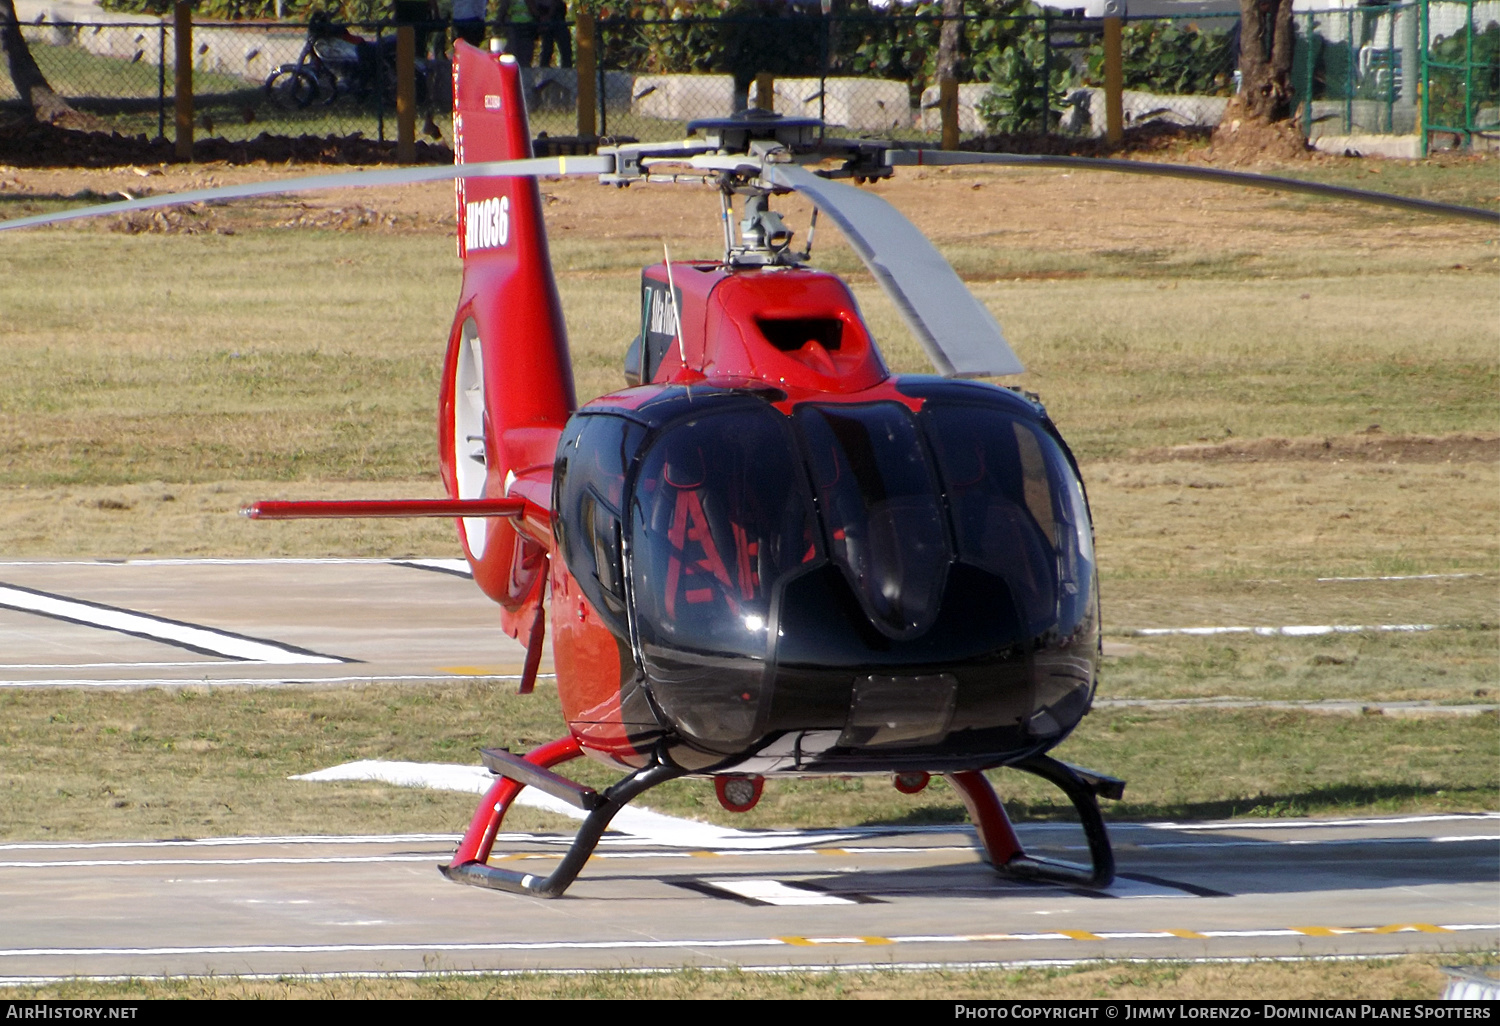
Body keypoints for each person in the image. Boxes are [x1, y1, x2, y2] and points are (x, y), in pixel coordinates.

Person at [536, 0, 571, 68]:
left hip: (557, 14)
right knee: (547, 47)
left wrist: (548, 16)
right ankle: (544, 70)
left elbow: (556, 2)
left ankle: (567, 70)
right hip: (541, 12)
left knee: (565, 47)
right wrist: (539, 16)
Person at [503, 0, 539, 66]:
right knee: (514, 50)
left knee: (525, 53)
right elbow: (505, 9)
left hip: (526, 27)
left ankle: (523, 69)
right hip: (515, 27)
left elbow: (535, 10)